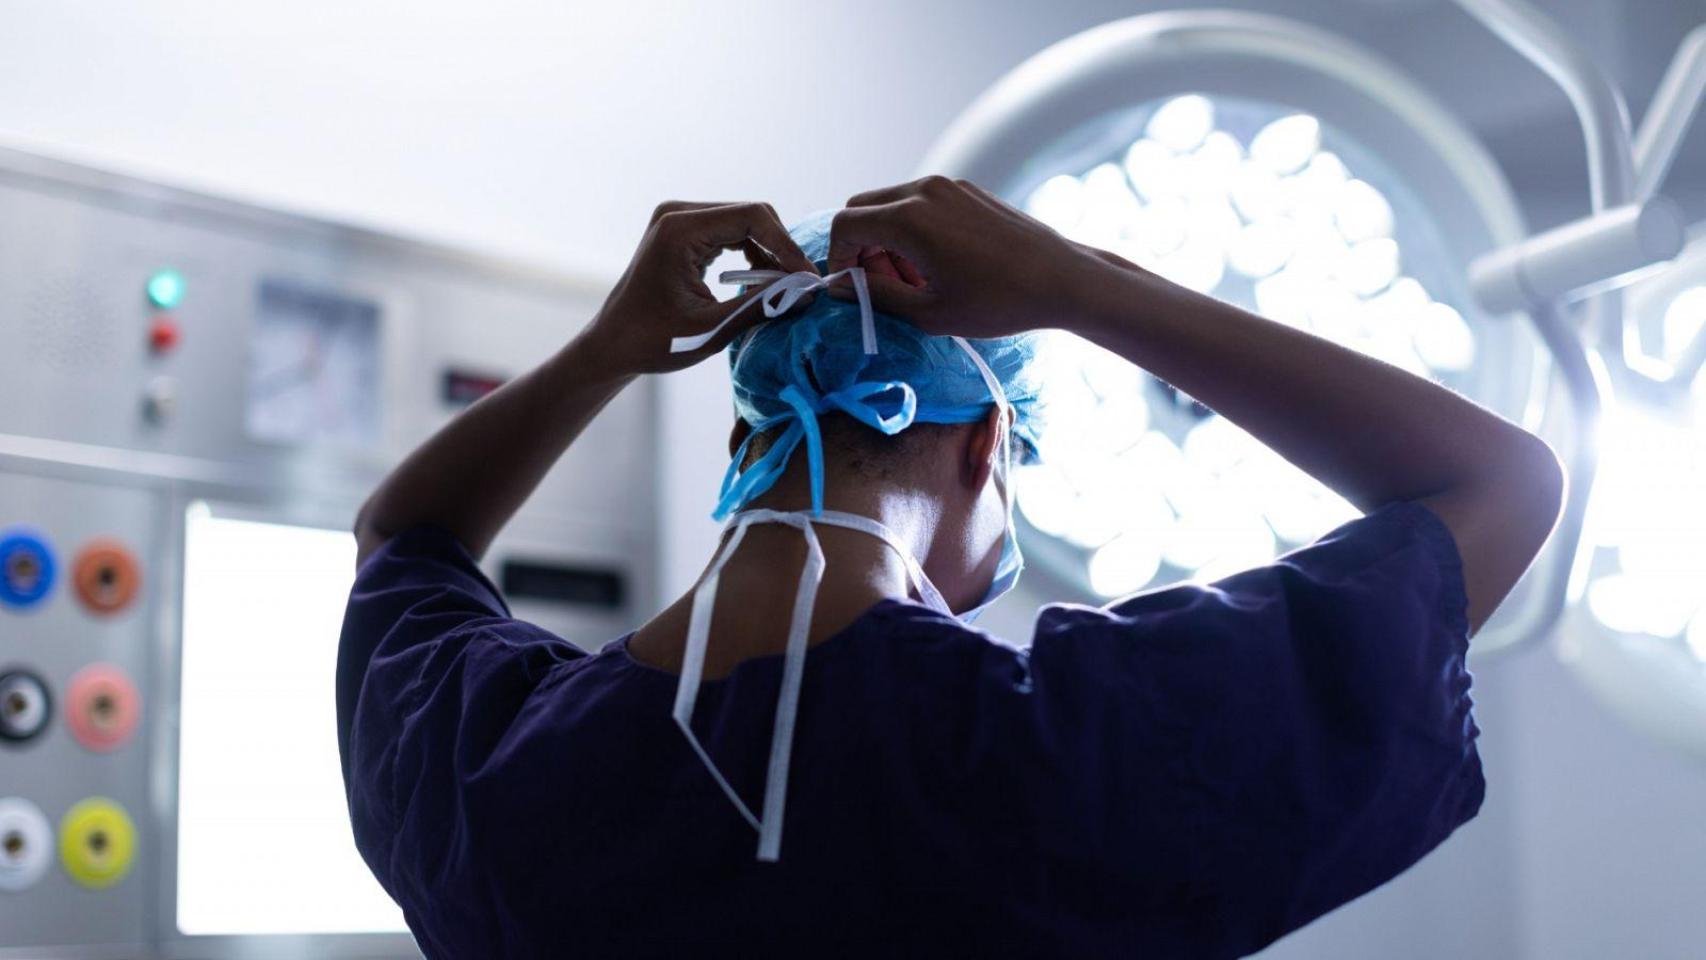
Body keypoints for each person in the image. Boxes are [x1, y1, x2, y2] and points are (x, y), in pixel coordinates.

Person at [337, 179, 1564, 959]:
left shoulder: (488, 768)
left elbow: (403, 535)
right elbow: (1499, 483)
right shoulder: (1074, 747)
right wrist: (1080, 285)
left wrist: (607, 349)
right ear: (989, 448)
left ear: (743, 444)